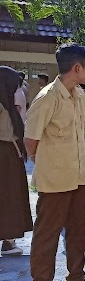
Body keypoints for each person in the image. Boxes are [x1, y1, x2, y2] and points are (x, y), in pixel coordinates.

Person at [24, 43, 85, 281]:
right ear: (77, 68)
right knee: (47, 234)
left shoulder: (79, 95)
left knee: (80, 232)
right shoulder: (46, 97)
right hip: (55, 180)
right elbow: (31, 140)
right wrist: (48, 163)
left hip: (78, 177)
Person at [0, 67, 33, 257]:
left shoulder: (9, 102)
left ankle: (9, 240)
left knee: (11, 197)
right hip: (5, 154)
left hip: (11, 154)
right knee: (8, 196)